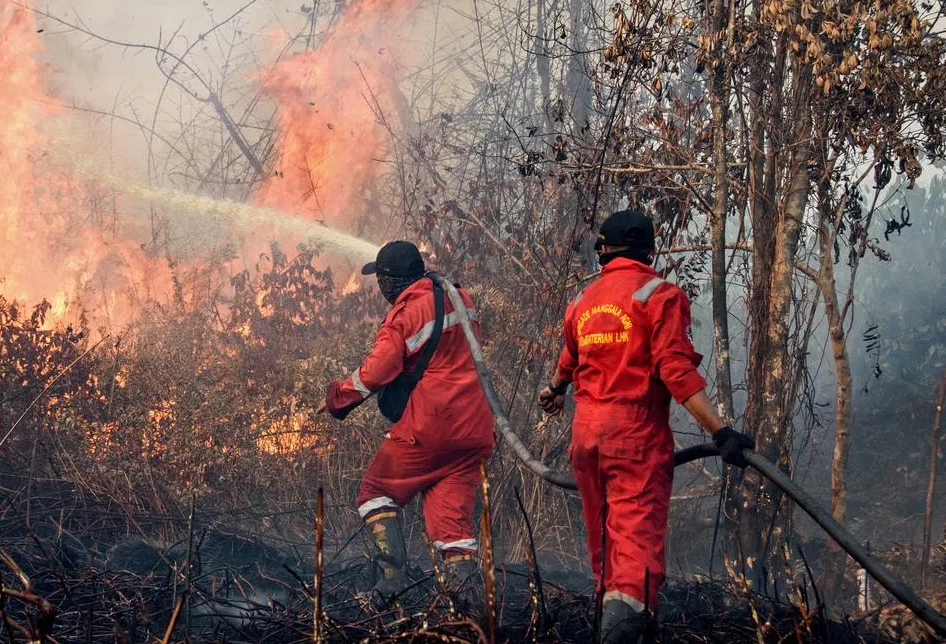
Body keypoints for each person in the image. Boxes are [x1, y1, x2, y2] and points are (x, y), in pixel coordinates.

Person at [539, 210, 754, 643]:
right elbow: (676, 372)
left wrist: (555, 390)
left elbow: (570, 358)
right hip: (634, 440)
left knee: (606, 549)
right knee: (635, 554)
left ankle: (615, 627)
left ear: (603, 250)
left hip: (586, 441)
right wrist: (720, 432)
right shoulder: (660, 295)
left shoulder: (583, 302)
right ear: (649, 249)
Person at [320, 240, 495, 603]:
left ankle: (391, 579)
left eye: (381, 280)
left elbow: (379, 369)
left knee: (375, 493)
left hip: (431, 427)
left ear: (389, 282)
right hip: (474, 431)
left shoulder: (409, 312)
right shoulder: (458, 297)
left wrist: (339, 396)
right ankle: (470, 606)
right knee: (452, 528)